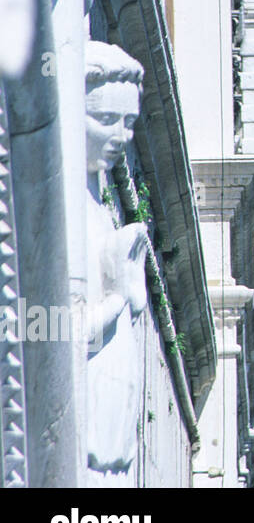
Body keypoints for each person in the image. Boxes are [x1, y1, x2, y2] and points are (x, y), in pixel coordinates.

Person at [84, 42, 151, 480]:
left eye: (128, 123)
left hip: (114, 427)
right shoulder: (61, 209)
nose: (121, 138)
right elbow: (49, 333)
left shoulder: (96, 206)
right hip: (84, 425)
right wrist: (118, 292)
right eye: (106, 120)